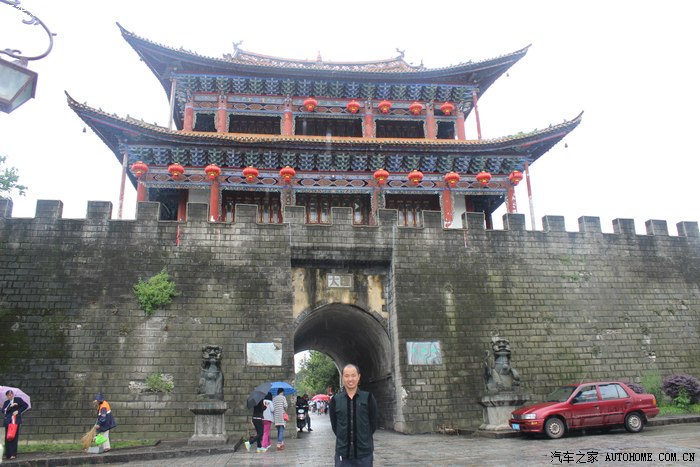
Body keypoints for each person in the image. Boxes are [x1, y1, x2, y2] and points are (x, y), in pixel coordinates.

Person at [330, 364, 378, 467]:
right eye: (347, 376)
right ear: (342, 377)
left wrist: (363, 438)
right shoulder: (335, 400)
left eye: (353, 375)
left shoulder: (368, 398)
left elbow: (373, 423)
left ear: (359, 377)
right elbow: (335, 426)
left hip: (364, 454)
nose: (350, 379)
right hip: (343, 454)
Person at [3, 389, 29, 460]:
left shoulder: (18, 399)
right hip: (8, 422)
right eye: (8, 395)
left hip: (15, 421)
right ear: (7, 396)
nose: (10, 396)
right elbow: (3, 411)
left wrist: (18, 411)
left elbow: (25, 405)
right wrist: (10, 406)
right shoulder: (6, 402)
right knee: (8, 437)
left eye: (11, 394)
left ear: (13, 394)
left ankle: (13, 454)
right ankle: (8, 454)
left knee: (14, 437)